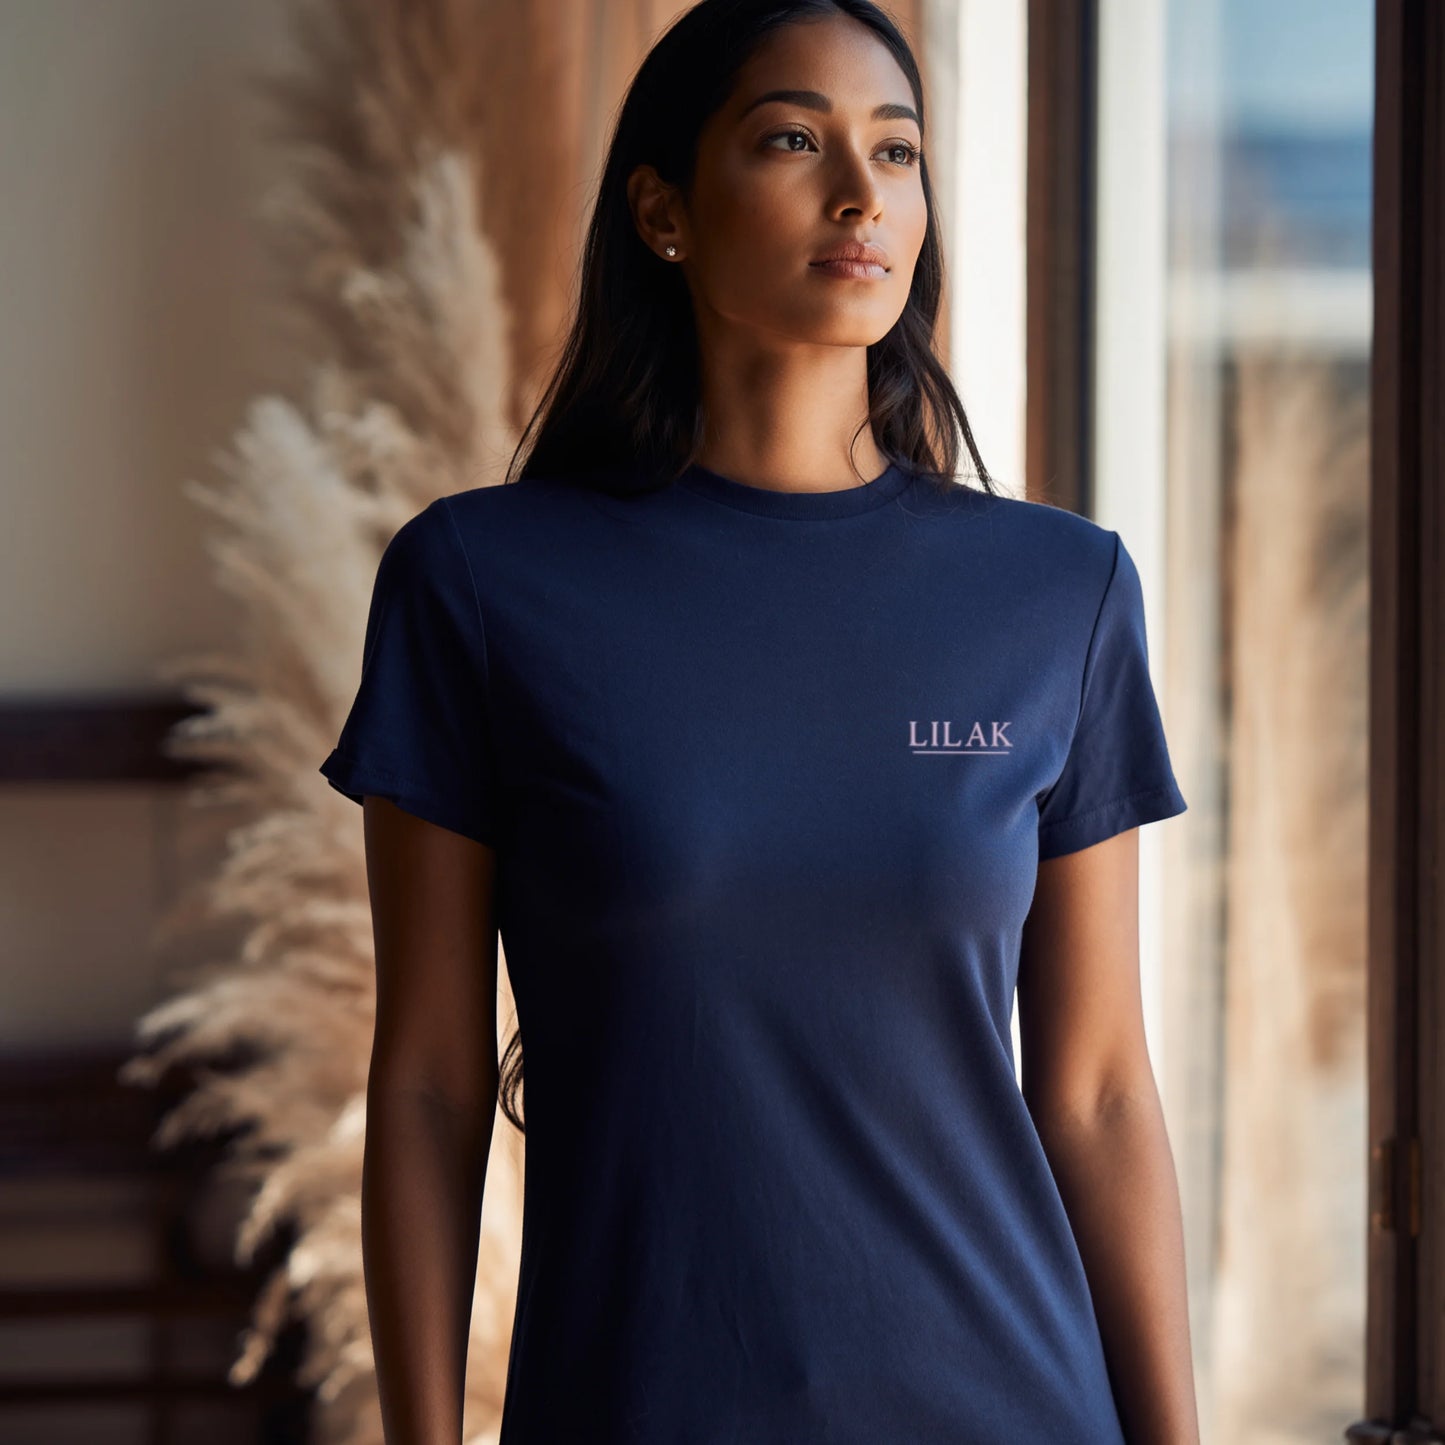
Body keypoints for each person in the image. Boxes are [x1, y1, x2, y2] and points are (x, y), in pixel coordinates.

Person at [319, 1, 1201, 1441]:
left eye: (897, 151)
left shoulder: (1059, 593)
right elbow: (426, 1077)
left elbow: (1097, 1089)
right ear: (661, 212)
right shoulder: (478, 587)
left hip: (1016, 1406)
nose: (861, 193)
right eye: (792, 139)